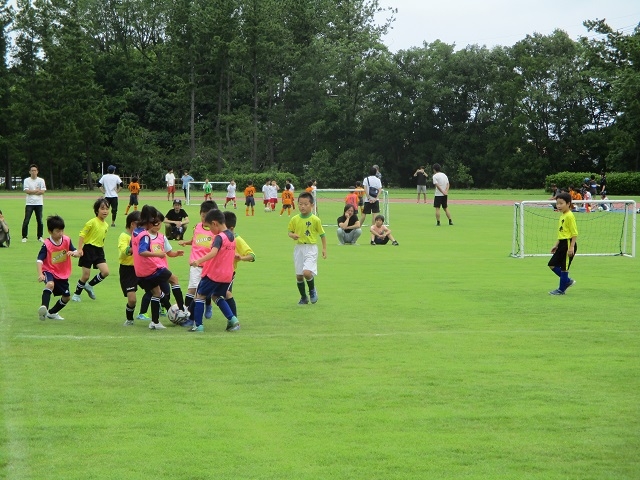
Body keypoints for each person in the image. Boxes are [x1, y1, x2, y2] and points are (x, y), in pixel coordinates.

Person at [132, 205, 187, 329]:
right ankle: (182, 308)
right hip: (152, 268)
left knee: (156, 293)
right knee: (174, 279)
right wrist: (158, 254)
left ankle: (155, 322)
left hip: (140, 271)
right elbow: (142, 251)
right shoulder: (145, 235)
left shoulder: (136, 231)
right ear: (150, 220)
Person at [188, 209, 240, 333]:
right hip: (227, 275)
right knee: (216, 295)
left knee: (200, 295)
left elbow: (213, 252)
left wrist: (198, 261)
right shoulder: (232, 236)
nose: (210, 230)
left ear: (215, 223)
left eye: (209, 227)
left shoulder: (219, 237)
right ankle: (232, 319)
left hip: (213, 274)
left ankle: (198, 326)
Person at [178, 200, 218, 324]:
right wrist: (186, 242)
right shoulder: (197, 227)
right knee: (193, 289)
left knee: (204, 291)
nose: (204, 219)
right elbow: (195, 240)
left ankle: (208, 305)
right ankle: (188, 315)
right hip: (195, 264)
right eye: (203, 216)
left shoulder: (216, 232)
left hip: (209, 265)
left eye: (207, 216)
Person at [37, 215, 80, 321]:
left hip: (62, 273)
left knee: (66, 297)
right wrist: (40, 274)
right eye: (57, 231)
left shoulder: (66, 240)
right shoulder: (46, 245)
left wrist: (74, 253)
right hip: (49, 270)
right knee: (50, 284)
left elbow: (76, 252)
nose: (60, 233)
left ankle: (52, 313)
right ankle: (44, 308)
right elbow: (39, 260)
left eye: (62, 230)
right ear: (50, 231)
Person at [288, 191, 327, 305]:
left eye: (305, 204)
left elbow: (322, 235)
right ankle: (303, 297)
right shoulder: (294, 219)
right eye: (300, 204)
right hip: (299, 248)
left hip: (311, 248)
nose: (302, 206)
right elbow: (289, 232)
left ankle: (312, 290)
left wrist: (324, 249)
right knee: (299, 276)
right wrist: (293, 235)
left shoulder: (315, 220)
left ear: (312, 205)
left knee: (306, 272)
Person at [71, 198, 111, 302]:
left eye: (107, 208)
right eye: (102, 208)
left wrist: (102, 250)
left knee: (105, 272)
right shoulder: (92, 222)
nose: (105, 211)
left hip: (99, 251)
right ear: (97, 210)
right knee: (86, 275)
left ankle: (89, 286)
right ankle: (76, 294)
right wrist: (80, 249)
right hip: (88, 250)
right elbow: (82, 234)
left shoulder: (106, 225)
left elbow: (102, 239)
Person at [223, 210, 256, 321]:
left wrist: (241, 257)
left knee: (227, 293)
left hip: (229, 273)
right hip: (216, 272)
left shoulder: (237, 239)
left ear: (231, 228)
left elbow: (252, 255)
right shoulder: (219, 237)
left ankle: (234, 319)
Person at [548, 192, 578, 295]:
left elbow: (574, 233)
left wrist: (571, 247)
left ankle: (561, 290)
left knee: (565, 267)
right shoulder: (562, 215)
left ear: (568, 204)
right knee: (551, 264)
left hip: (568, 243)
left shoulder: (570, 216)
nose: (559, 206)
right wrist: (556, 245)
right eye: (557, 203)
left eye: (561, 203)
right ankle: (567, 281)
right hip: (562, 243)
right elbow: (562, 232)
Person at [119, 211, 142, 326]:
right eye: (140, 225)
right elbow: (125, 250)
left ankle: (158, 314)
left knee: (156, 290)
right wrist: (134, 245)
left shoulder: (142, 235)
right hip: (128, 270)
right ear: (133, 224)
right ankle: (129, 319)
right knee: (132, 299)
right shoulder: (124, 236)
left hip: (141, 268)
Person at [21, 164, 46, 242]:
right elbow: (27, 191)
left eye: (35, 170)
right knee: (26, 220)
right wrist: (36, 191)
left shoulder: (41, 180)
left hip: (39, 203)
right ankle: (24, 237)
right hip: (29, 203)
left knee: (40, 221)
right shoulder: (26, 180)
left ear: (37, 171)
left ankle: (40, 237)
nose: (33, 172)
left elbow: (42, 191)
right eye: (32, 170)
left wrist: (33, 192)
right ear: (29, 172)